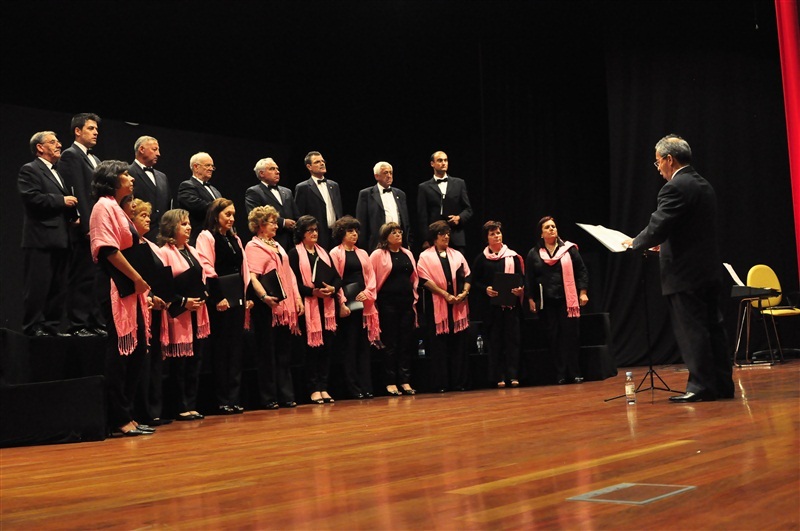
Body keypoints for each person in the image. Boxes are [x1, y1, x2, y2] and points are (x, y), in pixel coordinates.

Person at [622, 135, 733, 403]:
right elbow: (690, 228)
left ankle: (700, 387)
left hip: (684, 273)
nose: (658, 167)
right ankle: (721, 385)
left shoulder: (673, 187)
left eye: (658, 161)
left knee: (692, 330)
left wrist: (634, 242)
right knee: (713, 328)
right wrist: (666, 243)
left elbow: (658, 225)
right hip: (706, 270)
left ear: (669, 159)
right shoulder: (703, 184)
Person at [89, 160, 154, 436]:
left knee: (136, 352)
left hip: (130, 288)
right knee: (119, 352)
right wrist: (137, 277)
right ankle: (118, 418)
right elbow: (107, 249)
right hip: (115, 284)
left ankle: (127, 412)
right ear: (112, 180)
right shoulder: (102, 206)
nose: (130, 179)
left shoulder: (118, 208)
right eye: (125, 175)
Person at [17, 131, 79, 336]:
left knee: (58, 286)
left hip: (61, 238)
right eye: (53, 142)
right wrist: (62, 201)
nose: (59, 144)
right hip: (40, 238)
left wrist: (72, 217)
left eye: (58, 141)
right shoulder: (30, 170)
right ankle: (33, 326)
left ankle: (51, 326)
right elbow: (32, 198)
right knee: (38, 286)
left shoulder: (57, 171)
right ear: (39, 148)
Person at [196, 198, 253, 414]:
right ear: (216, 215)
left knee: (236, 349)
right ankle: (222, 399)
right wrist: (217, 297)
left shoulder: (235, 238)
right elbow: (206, 267)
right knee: (221, 350)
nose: (231, 218)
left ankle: (234, 397)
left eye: (233, 214)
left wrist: (246, 296)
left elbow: (243, 269)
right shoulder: (207, 236)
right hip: (220, 300)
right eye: (227, 214)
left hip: (237, 298)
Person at [245, 205, 304, 409]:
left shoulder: (277, 246)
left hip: (284, 306)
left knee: (283, 352)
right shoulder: (253, 247)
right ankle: (269, 397)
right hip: (267, 307)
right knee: (267, 353)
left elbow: (290, 275)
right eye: (272, 222)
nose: (275, 226)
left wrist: (296, 298)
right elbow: (252, 276)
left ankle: (286, 394)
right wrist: (264, 296)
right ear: (261, 225)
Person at [156, 208, 210, 421]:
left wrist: (203, 295)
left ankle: (191, 403)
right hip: (177, 315)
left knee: (195, 360)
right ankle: (179, 405)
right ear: (171, 227)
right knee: (178, 364)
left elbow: (201, 278)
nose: (189, 227)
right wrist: (183, 301)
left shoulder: (193, 250)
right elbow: (164, 287)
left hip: (196, 312)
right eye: (183, 224)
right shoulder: (164, 252)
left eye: (189, 223)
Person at [123, 198, 172, 426]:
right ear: (131, 220)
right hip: (140, 308)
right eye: (142, 216)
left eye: (147, 216)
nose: (147, 219)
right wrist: (150, 297)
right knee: (142, 362)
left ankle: (154, 411)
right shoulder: (132, 245)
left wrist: (162, 298)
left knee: (154, 363)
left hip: (156, 308)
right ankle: (141, 411)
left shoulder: (150, 245)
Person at [526, 216, 589, 385]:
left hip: (567, 301)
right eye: (547, 227)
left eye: (553, 226)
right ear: (541, 233)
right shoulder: (534, 253)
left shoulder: (568, 250)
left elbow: (582, 271)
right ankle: (560, 373)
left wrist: (583, 292)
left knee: (571, 336)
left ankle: (575, 372)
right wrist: (531, 299)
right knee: (553, 337)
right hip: (546, 302)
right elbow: (529, 278)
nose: (552, 229)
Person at [58, 113, 106, 337]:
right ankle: (78, 323)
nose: (95, 132)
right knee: (81, 275)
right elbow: (78, 192)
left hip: (100, 227)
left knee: (96, 277)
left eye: (96, 129)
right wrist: (89, 226)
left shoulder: (95, 159)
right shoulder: (71, 155)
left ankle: (94, 320)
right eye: (90, 128)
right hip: (86, 229)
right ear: (77, 131)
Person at [287, 215, 340, 404]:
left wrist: (333, 288)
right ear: (301, 233)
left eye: (316, 230)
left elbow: (336, 277)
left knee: (326, 349)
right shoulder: (294, 253)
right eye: (310, 230)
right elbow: (292, 283)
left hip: (326, 307)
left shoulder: (323, 252)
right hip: (308, 306)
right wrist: (313, 291)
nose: (315, 233)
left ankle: (324, 386)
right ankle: (312, 388)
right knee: (311, 350)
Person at [417, 220, 472, 392]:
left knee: (458, 345)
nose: (446, 236)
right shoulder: (425, 256)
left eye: (448, 233)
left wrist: (463, 293)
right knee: (439, 346)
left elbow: (468, 276)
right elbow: (424, 280)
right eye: (442, 234)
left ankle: (459, 382)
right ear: (434, 237)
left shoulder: (457, 254)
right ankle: (441, 383)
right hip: (438, 306)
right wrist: (445, 294)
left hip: (457, 304)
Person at [329, 216, 379, 399]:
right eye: (350, 231)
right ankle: (353, 387)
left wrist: (367, 292)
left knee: (363, 346)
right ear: (342, 233)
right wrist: (341, 302)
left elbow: (371, 276)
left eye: (356, 231)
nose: (355, 234)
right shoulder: (335, 253)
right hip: (347, 306)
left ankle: (366, 386)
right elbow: (336, 279)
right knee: (349, 346)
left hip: (363, 305)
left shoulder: (363, 253)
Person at [471, 221, 525, 388]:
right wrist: (485, 289)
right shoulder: (481, 259)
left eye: (498, 233)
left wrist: (520, 289)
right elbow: (474, 282)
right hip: (491, 308)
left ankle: (513, 375)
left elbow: (522, 278)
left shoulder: (513, 256)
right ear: (487, 238)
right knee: (494, 342)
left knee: (512, 341)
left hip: (511, 307)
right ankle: (498, 376)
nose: (497, 236)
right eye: (492, 233)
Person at [370, 222, 419, 396]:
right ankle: (390, 382)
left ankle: (405, 381)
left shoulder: (408, 254)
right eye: (394, 233)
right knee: (390, 344)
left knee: (405, 343)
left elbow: (414, 277)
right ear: (385, 237)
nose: (399, 235)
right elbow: (371, 278)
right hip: (387, 304)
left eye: (400, 232)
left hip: (406, 304)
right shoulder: (377, 254)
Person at [417, 151, 473, 254]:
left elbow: (468, 209)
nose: (443, 163)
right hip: (435, 238)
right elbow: (422, 216)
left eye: (445, 160)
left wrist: (459, 218)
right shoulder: (424, 187)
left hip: (456, 236)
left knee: (458, 268)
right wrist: (426, 239)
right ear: (432, 164)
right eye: (440, 160)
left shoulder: (459, 183)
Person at [245, 157, 299, 251]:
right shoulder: (254, 191)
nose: (277, 171)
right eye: (272, 169)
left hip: (291, 241)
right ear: (261, 173)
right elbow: (256, 217)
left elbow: (296, 215)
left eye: (277, 169)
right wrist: (282, 222)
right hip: (269, 241)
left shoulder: (287, 191)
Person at [355, 161, 412, 252]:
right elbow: (362, 222)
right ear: (376, 176)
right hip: (377, 243)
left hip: (399, 243)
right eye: (385, 173)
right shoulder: (366, 194)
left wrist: (408, 242)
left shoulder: (400, 194)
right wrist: (363, 248)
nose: (389, 175)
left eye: (390, 172)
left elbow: (405, 221)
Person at [294, 151, 343, 250]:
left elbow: (338, 209)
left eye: (323, 161)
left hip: (335, 234)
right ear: (309, 166)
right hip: (316, 234)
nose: (322, 164)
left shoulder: (334, 185)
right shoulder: (303, 187)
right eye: (317, 162)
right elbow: (300, 215)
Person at [130, 136, 171, 241]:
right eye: (154, 149)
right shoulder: (128, 172)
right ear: (142, 149)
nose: (158, 154)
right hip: (138, 235)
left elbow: (167, 205)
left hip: (163, 236)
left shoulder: (162, 177)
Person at [177, 152, 221, 244]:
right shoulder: (186, 185)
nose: (211, 169)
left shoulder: (215, 190)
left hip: (217, 238)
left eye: (212, 166)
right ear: (196, 167)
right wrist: (221, 209)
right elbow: (197, 206)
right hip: (199, 238)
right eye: (207, 165)